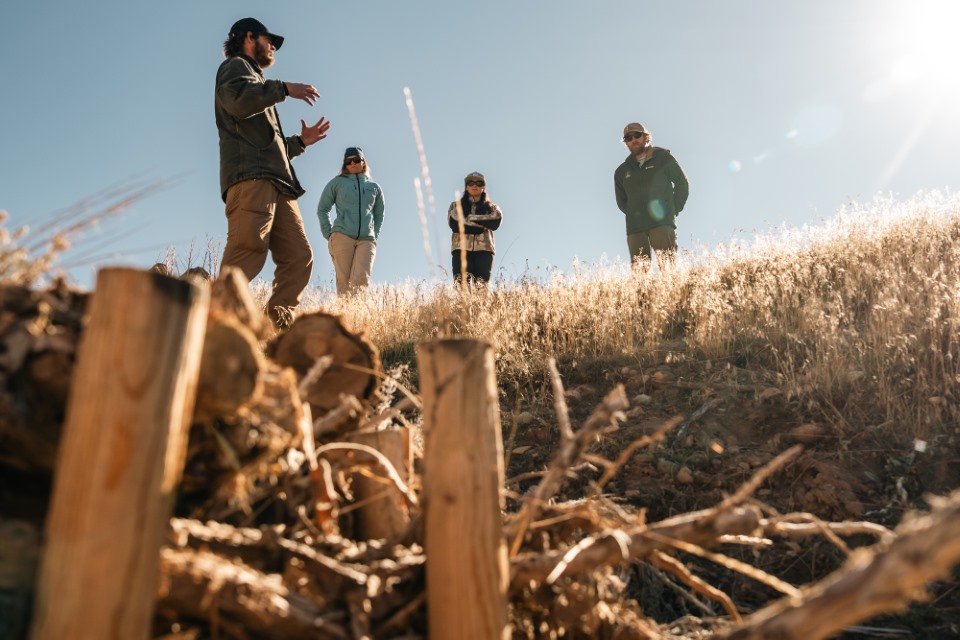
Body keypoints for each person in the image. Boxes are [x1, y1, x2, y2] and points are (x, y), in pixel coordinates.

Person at [215, 17, 331, 328]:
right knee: (248, 249)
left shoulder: (255, 80)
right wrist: (283, 89)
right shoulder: (235, 67)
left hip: (278, 184)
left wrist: (300, 143)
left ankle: (277, 331)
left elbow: (267, 145)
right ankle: (210, 326)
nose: (274, 48)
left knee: (299, 257)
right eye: (270, 41)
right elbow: (237, 102)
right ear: (250, 37)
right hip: (252, 180)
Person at [613, 122, 689, 271]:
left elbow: (682, 184)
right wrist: (634, 214)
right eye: (628, 138)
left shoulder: (663, 158)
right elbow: (622, 202)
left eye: (637, 135)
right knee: (640, 276)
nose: (633, 139)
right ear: (626, 143)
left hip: (662, 224)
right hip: (635, 230)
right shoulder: (621, 171)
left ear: (645, 137)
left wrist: (672, 209)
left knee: (668, 270)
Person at [316, 147, 385, 295]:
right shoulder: (337, 183)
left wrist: (374, 235)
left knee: (361, 281)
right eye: (349, 161)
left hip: (366, 240)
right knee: (344, 281)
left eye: (356, 160)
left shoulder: (374, 187)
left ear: (363, 162)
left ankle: (357, 316)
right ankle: (345, 316)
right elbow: (322, 209)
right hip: (342, 237)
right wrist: (329, 234)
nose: (353, 163)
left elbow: (379, 214)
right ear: (345, 164)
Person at [447, 171, 503, 286]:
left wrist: (468, 218)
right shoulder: (455, 205)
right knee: (461, 286)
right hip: (461, 249)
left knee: (482, 287)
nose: (474, 186)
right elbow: (454, 224)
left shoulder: (492, 207)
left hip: (484, 250)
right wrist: (483, 222)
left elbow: (495, 221)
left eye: (479, 183)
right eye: (471, 183)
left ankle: (481, 305)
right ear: (466, 186)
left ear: (483, 187)